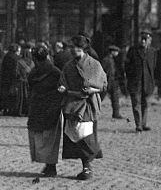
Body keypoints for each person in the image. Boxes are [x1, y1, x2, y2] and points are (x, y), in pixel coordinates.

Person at [58, 34, 107, 181]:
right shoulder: (68, 66)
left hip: (87, 105)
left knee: (86, 135)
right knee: (75, 135)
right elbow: (63, 80)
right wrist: (62, 88)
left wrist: (94, 90)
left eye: (77, 48)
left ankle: (87, 167)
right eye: (72, 48)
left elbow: (103, 84)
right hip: (72, 104)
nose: (73, 51)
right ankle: (85, 166)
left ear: (84, 49)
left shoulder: (94, 64)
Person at [27, 43, 63, 180]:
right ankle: (50, 165)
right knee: (51, 138)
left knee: (38, 137)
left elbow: (30, 87)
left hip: (37, 108)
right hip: (52, 108)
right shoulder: (55, 71)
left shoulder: (33, 73)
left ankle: (49, 165)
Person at [124, 30, 156, 132]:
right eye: (142, 39)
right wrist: (131, 77)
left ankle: (143, 124)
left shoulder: (152, 52)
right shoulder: (133, 50)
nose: (143, 41)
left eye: (145, 39)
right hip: (135, 82)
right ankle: (138, 125)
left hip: (147, 83)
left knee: (145, 104)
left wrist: (153, 80)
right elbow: (127, 65)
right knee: (136, 103)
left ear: (150, 40)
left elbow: (154, 67)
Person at [101, 44, 125, 119]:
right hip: (106, 82)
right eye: (116, 51)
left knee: (115, 98)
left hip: (112, 81)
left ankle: (116, 113)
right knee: (100, 97)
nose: (117, 53)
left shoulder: (111, 59)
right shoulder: (106, 60)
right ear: (112, 52)